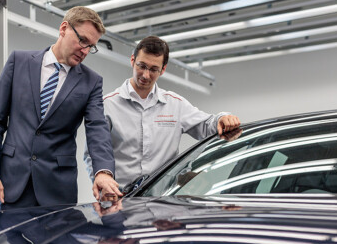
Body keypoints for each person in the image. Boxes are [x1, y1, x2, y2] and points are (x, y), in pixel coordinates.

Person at [0, 6, 121, 211]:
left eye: (91, 46)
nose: (85, 51)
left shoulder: (91, 82)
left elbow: (97, 129)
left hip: (57, 189)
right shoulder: (18, 62)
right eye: (83, 41)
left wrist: (103, 172)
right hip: (12, 183)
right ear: (64, 28)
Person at [85, 35, 241, 187]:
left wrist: (223, 117)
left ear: (163, 69)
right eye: (142, 66)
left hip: (162, 201)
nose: (146, 75)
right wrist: (102, 188)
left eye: (154, 69)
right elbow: (92, 154)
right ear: (132, 61)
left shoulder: (175, 105)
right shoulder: (107, 105)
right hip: (119, 201)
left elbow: (208, 125)